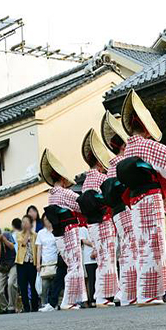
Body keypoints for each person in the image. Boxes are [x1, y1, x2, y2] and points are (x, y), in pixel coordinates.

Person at [118, 90, 166, 306]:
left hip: (135, 202)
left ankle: (139, 293)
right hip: (149, 198)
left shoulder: (129, 150)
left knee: (140, 246)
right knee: (152, 245)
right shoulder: (145, 145)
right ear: (145, 127)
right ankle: (148, 294)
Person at [40, 148, 87, 310]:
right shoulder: (64, 193)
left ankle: (71, 299)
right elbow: (81, 203)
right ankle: (69, 300)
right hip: (70, 230)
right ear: (62, 178)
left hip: (59, 234)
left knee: (70, 264)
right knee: (74, 264)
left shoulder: (51, 195)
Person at [100, 111, 137, 306]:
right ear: (123, 146)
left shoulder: (110, 167)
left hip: (116, 212)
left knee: (126, 249)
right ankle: (127, 291)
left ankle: (124, 291)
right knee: (131, 249)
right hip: (126, 207)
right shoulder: (122, 164)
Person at [79, 128, 118, 308]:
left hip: (92, 224)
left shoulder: (86, 181)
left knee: (103, 259)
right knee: (107, 259)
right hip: (103, 221)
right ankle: (104, 296)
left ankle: (106, 294)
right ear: (100, 163)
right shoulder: (101, 178)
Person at [0, 226, 17, 313]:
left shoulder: (7, 235)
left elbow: (12, 247)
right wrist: (0, 243)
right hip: (2, 266)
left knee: (11, 283)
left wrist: (4, 239)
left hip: (12, 263)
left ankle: (11, 307)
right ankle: (4, 307)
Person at [15, 215, 39, 313]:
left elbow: (37, 249)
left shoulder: (35, 235)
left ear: (30, 223)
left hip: (32, 263)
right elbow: (23, 243)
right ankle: (26, 307)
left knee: (33, 286)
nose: (24, 224)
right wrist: (27, 232)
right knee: (23, 286)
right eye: (23, 222)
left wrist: (38, 263)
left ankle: (35, 307)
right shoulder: (19, 234)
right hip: (21, 263)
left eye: (26, 222)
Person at [35, 214, 58, 308]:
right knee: (44, 284)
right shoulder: (41, 233)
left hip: (56, 261)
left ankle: (55, 303)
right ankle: (44, 303)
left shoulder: (57, 230)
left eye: (48, 219)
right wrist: (38, 263)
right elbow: (39, 249)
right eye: (45, 219)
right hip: (45, 262)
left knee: (55, 285)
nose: (47, 221)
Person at [79, 225, 97, 308]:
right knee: (91, 279)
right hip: (88, 258)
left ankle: (99, 297)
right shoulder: (83, 228)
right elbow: (83, 240)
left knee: (98, 278)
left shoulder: (96, 226)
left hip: (98, 256)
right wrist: (94, 244)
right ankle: (92, 300)